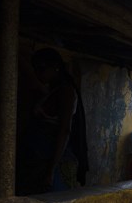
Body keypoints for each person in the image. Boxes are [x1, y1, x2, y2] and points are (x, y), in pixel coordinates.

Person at [16, 48, 89, 194]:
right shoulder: (52, 90)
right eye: (36, 68)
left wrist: (51, 169)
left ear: (56, 67)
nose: (38, 72)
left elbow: (64, 130)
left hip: (51, 159)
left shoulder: (65, 91)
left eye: (41, 68)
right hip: (38, 156)